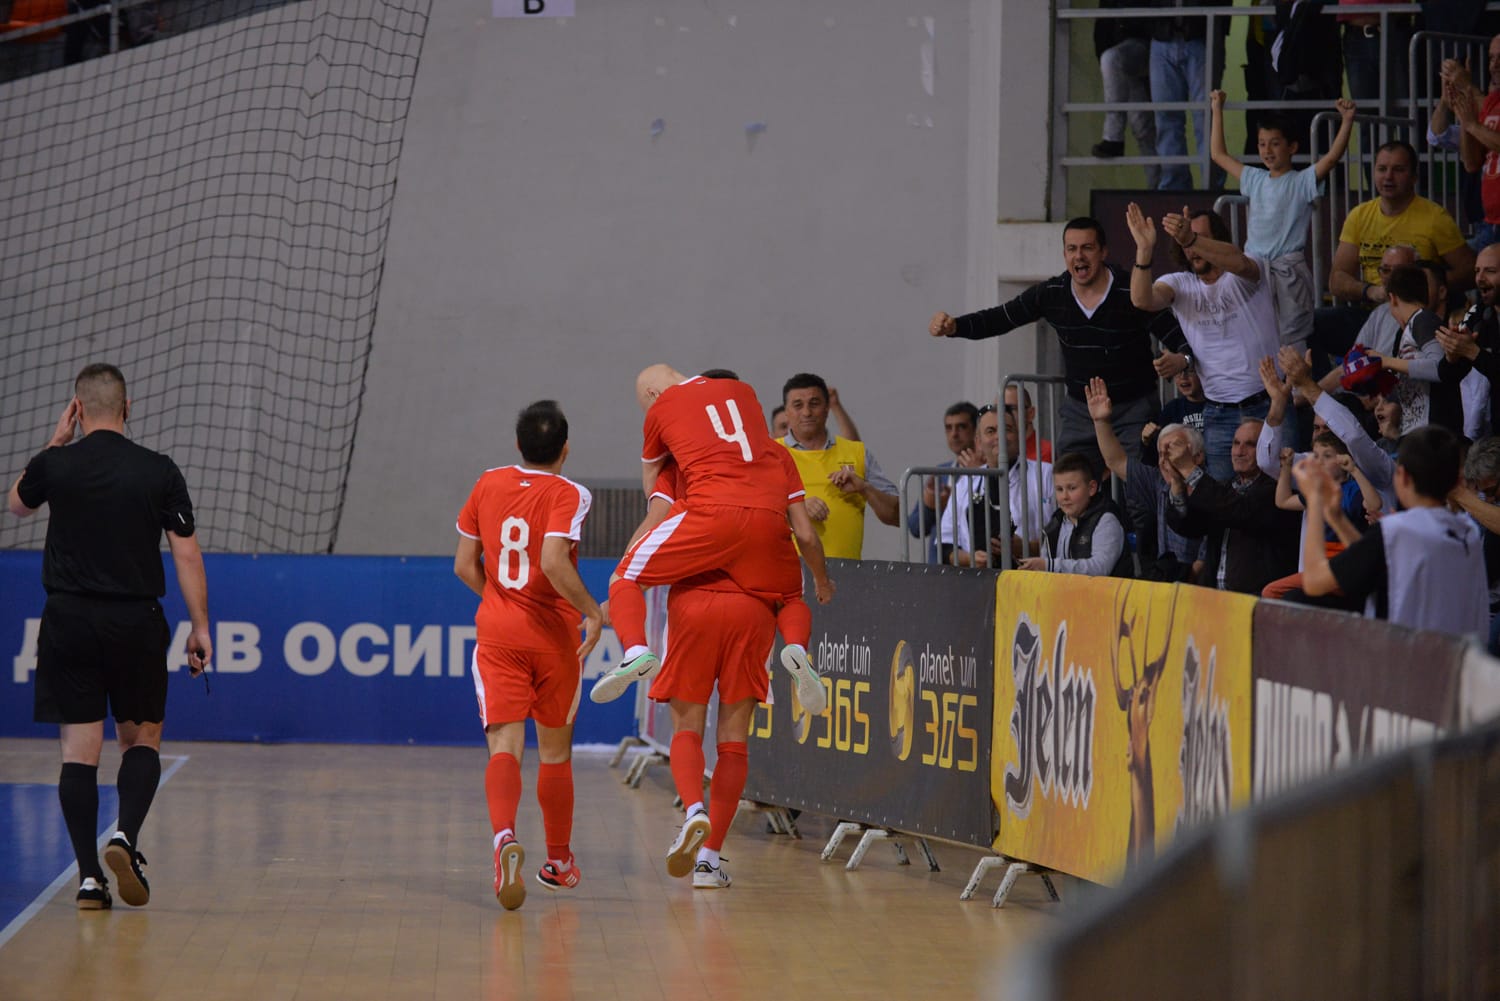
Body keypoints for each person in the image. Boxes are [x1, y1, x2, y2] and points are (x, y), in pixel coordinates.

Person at [7, 363, 212, 911]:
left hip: (68, 620)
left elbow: (17, 503)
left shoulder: (56, 464)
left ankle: (88, 879)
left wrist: (55, 443)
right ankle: (124, 836)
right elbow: (187, 554)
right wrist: (200, 627)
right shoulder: (158, 470)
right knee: (141, 740)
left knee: (79, 753)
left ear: (77, 409)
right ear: (128, 407)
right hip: (134, 622)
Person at [595, 367, 834, 707]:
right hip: (757, 574)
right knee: (793, 598)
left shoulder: (676, 453)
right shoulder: (775, 451)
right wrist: (822, 581)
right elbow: (806, 535)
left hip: (698, 585)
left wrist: (624, 596)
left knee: (623, 578)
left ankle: (635, 650)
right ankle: (797, 647)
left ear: (652, 395)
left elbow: (655, 516)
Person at [453, 400, 604, 910]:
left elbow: (463, 565)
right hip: (555, 639)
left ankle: (504, 839)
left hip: (500, 635)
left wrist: (503, 603)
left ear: (518, 444)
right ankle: (558, 862)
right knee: (555, 753)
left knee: (504, 747)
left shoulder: (488, 482)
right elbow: (553, 561)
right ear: (566, 449)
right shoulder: (570, 493)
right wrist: (592, 611)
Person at [930, 216, 1187, 474]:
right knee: (1070, 482)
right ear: (1064, 255)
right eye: (1071, 249)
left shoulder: (1130, 290)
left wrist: (1182, 360)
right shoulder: (1052, 293)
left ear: (1103, 252)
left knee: (1137, 484)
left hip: (1134, 409)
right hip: (1081, 412)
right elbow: (1000, 318)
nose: (1079, 256)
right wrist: (955, 327)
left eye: (1087, 248)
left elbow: (1177, 335)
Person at [1127, 202, 1281, 482]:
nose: (1191, 247)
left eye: (1200, 237)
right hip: (1218, 411)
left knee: (1280, 490)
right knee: (1220, 498)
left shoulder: (1247, 268)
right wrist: (1144, 249)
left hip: (1268, 402)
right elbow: (1141, 299)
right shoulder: (1180, 283)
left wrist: (1191, 239)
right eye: (1184, 240)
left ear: (1218, 240)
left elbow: (1239, 262)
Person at [1295, 425, 1488, 637]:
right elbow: (1368, 563)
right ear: (1458, 481)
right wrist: (1338, 519)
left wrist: (1314, 500)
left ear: (1401, 476)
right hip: (1458, 653)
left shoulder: (1397, 531)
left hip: (1404, 653)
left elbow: (1314, 582)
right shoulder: (1467, 531)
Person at [1209, 93, 1357, 354]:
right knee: (1252, 332)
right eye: (1262, 144)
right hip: (1253, 267)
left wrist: (1346, 121)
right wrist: (1217, 109)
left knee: (1292, 337)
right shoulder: (1255, 178)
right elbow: (1218, 154)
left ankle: (1297, 380)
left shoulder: (1302, 181)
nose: (1267, 150)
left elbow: (1332, 158)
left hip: (1288, 269)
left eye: (1275, 143)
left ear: (1292, 147)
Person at [653, 577, 777, 890]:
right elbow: (797, 557)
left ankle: (694, 811)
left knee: (686, 729)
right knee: (734, 741)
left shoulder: (685, 533)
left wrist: (621, 592)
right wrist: (822, 581)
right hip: (751, 607)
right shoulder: (772, 535)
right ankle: (709, 859)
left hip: (693, 605)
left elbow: (645, 557)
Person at [1312, 141, 1475, 372]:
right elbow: (1337, 280)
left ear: (1414, 177)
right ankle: (1319, 390)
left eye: (1398, 169)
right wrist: (1371, 291)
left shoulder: (1435, 218)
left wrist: (1421, 289)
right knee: (1311, 323)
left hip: (1416, 315)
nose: (1388, 177)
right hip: (1371, 311)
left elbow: (1469, 271)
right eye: (1382, 169)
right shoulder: (1359, 215)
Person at [1163, 418, 1300, 595]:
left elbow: (1239, 511)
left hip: (1258, 601)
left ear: (1269, 451)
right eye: (1236, 443)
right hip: (1217, 598)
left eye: (1250, 444)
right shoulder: (1225, 489)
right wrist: (1177, 484)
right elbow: (1189, 527)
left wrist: (1189, 469)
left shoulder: (1278, 490)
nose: (1239, 451)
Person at [1088, 377, 1205, 582]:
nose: (1164, 460)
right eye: (1161, 454)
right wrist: (1101, 422)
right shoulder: (1158, 482)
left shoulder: (1211, 488)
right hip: (1167, 582)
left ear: (1198, 457)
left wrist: (1188, 579)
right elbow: (1116, 461)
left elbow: (1205, 557)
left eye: (1173, 450)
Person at [779, 372, 900, 559]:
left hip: (847, 572)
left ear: (827, 408)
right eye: (798, 405)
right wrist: (796, 508)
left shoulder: (856, 453)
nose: (807, 412)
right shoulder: (771, 454)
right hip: (788, 571)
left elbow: (897, 516)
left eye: (814, 403)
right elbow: (750, 514)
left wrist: (865, 488)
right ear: (786, 412)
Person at [939, 404, 1054, 568]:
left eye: (1007, 429)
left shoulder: (1046, 474)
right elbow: (945, 546)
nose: (999, 437)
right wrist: (971, 559)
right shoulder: (965, 483)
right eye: (990, 431)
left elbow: (1065, 535)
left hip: (1033, 578)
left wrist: (1025, 547)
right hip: (980, 579)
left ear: (1018, 435)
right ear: (978, 442)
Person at [1371, 264, 1466, 436]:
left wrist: (1386, 361)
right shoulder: (1410, 327)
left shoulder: (1423, 320)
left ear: (1393, 298)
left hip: (1434, 435)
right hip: (1419, 434)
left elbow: (1439, 367)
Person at [1145, 0, 1231, 191]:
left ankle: (1212, 187)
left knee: (1206, 117)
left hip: (1202, 34)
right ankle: (1174, 187)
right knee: (1166, 117)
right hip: (1162, 35)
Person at [1018, 452, 1131, 577]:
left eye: (1072, 488)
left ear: (1092, 488)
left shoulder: (1106, 520)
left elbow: (1100, 568)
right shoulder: (1055, 523)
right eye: (1059, 489)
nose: (1064, 496)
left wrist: (1050, 566)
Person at [1092, 0, 1159, 188]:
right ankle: (1157, 188)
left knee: (1153, 126)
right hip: (1125, 58)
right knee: (1142, 125)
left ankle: (1113, 137)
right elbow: (1103, 27)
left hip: (1151, 46)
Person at [907, 402, 982, 563]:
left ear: (977, 430)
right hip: (938, 568)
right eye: (949, 428)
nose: (954, 434)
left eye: (961, 427)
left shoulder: (988, 470)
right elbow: (915, 528)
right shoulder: (940, 472)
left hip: (976, 565)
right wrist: (930, 508)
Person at [1443, 36, 1500, 248]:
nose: (1494, 65)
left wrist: (1473, 125)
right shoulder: (1492, 102)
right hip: (1490, 223)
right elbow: (1471, 163)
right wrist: (1464, 114)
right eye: (1491, 58)